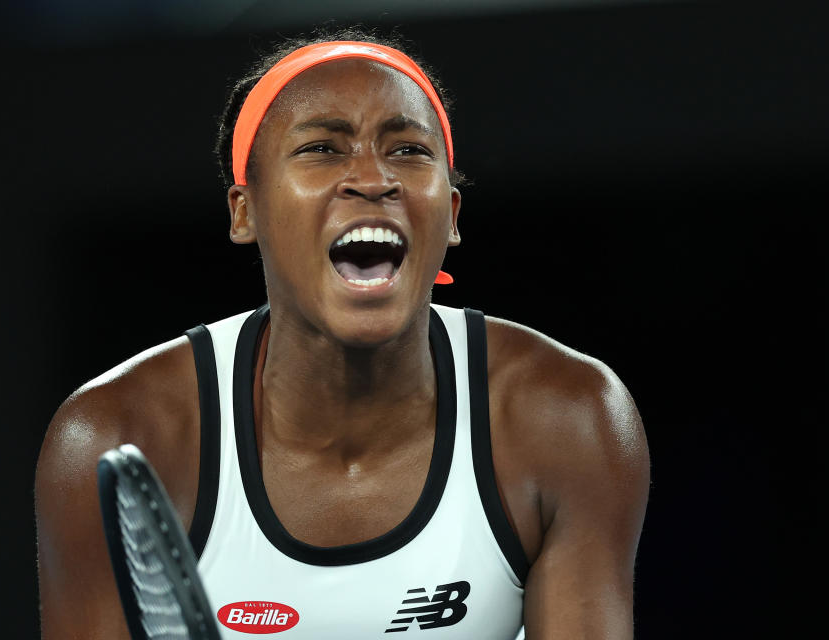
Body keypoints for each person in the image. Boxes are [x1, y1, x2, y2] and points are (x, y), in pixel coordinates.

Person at [35, 29, 650, 639]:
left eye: (408, 150)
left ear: (453, 217)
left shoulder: (566, 418)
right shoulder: (116, 434)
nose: (372, 178)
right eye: (322, 149)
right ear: (244, 211)